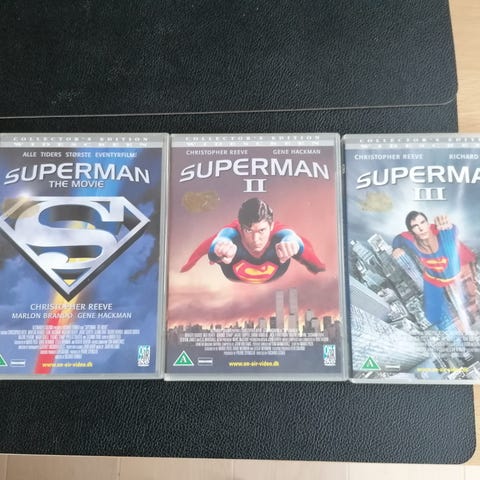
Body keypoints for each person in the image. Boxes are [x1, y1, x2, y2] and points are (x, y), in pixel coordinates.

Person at [181, 197, 325, 283]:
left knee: (283, 244)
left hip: (276, 264)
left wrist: (294, 245)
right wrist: (217, 251)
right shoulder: (232, 232)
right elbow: (210, 245)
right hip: (233, 268)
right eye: (249, 231)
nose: (256, 240)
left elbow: (294, 238)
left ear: (271, 226)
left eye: (262, 231)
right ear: (241, 227)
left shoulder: (279, 232)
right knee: (225, 247)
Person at [392, 211, 477, 333]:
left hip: (455, 273)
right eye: (415, 226)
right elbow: (399, 238)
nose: (421, 228)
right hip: (438, 278)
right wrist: (396, 248)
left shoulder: (439, 230)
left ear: (427, 223)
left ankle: (469, 316)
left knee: (465, 296)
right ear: (411, 231)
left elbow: (452, 231)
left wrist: (449, 227)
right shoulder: (410, 238)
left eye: (423, 222)